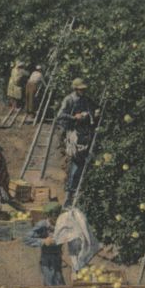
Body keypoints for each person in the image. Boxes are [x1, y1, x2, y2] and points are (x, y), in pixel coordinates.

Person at [57, 77, 96, 207]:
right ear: (75, 89)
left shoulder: (85, 100)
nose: (83, 91)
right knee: (76, 160)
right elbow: (60, 115)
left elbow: (93, 109)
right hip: (72, 132)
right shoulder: (69, 99)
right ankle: (69, 193)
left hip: (84, 133)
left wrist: (91, 114)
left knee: (83, 161)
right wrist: (74, 117)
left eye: (84, 89)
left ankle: (76, 192)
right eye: (81, 89)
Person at [24, 202, 65, 286]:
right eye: (55, 215)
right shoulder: (42, 225)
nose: (57, 217)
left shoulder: (61, 225)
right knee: (49, 282)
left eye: (59, 215)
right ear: (48, 215)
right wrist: (43, 241)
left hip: (58, 258)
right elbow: (26, 239)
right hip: (47, 259)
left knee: (59, 282)